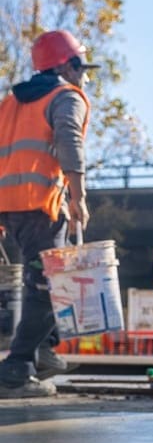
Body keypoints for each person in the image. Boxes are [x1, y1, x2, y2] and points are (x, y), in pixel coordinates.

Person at [0, 30, 98, 399]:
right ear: (67, 66)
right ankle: (17, 369)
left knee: (42, 282)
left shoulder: (9, 103)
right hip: (40, 205)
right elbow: (69, 140)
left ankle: (42, 347)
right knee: (47, 287)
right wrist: (78, 196)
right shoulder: (65, 97)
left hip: (10, 208)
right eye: (82, 68)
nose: (85, 77)